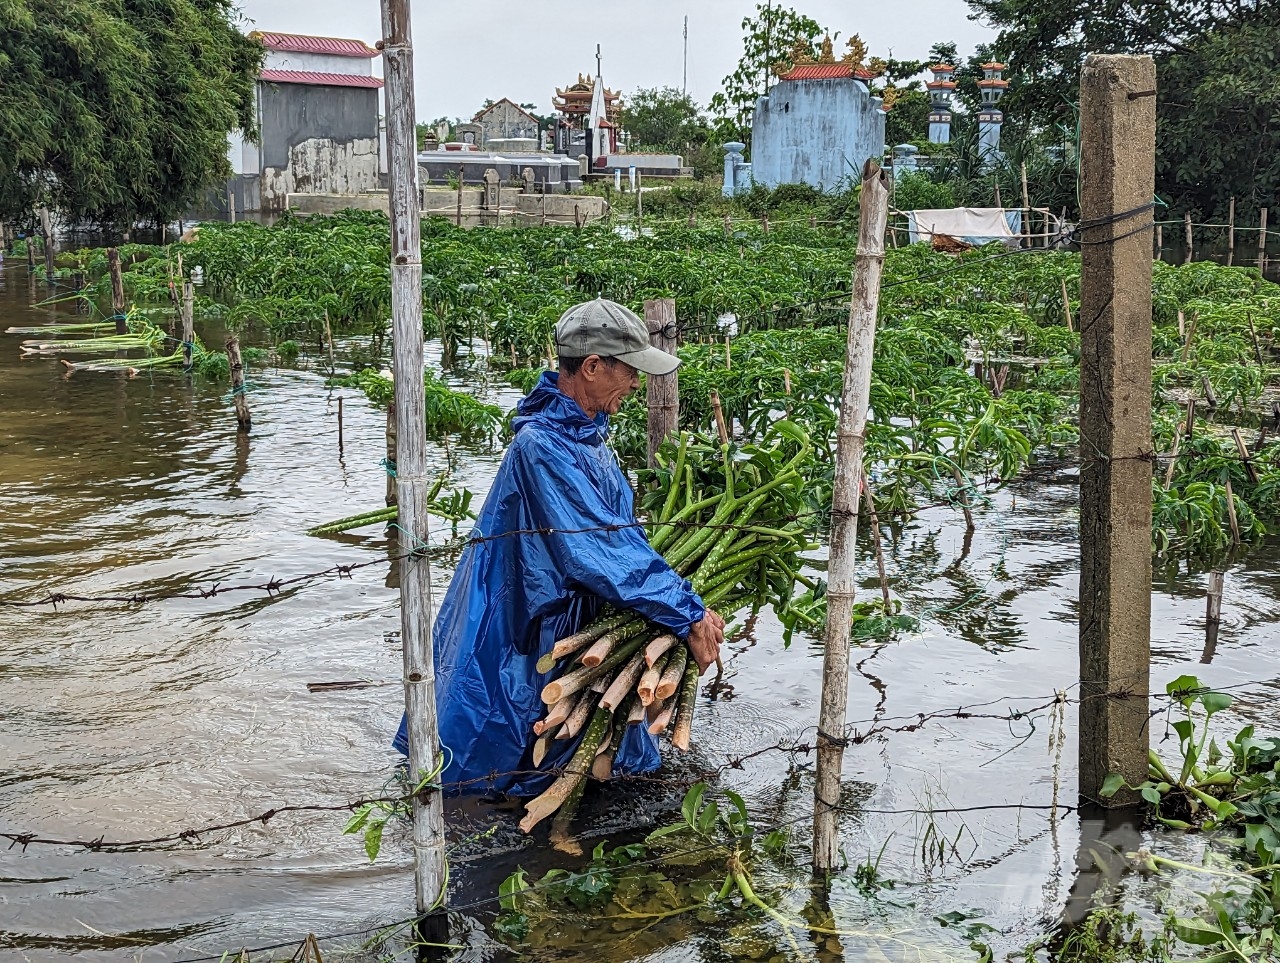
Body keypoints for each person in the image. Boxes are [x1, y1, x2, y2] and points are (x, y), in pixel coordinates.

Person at [394, 298, 724, 796]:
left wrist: (680, 605)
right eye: (630, 370)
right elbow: (597, 552)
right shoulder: (544, 447)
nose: (636, 384)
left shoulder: (588, 437)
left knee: (574, 762)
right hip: (521, 626)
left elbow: (618, 541)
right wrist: (687, 611)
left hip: (567, 619)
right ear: (592, 367)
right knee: (487, 780)